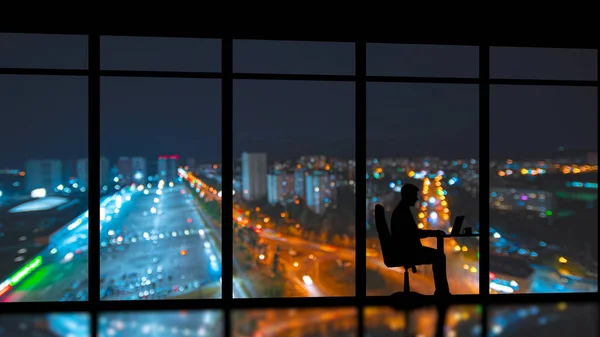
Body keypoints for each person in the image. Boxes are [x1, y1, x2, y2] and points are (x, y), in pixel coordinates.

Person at [390, 183, 451, 295]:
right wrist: (433, 233)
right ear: (408, 196)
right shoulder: (403, 212)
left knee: (438, 256)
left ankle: (442, 292)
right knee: (439, 257)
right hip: (407, 251)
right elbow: (413, 233)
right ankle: (442, 293)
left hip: (403, 249)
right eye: (414, 195)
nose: (417, 198)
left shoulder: (402, 210)